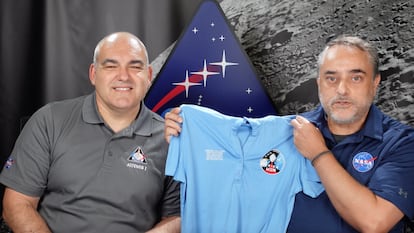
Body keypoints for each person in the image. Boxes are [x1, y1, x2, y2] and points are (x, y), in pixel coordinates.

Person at [164, 35, 414, 232]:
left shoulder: (401, 143)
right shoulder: (284, 132)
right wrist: (186, 135)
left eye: (356, 78)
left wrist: (317, 153)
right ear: (318, 83)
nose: (342, 89)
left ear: (375, 82)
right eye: (331, 78)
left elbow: (374, 223)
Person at [0, 32, 180, 233]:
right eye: (111, 66)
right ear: (94, 74)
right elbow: (17, 204)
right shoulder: (49, 120)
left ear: (148, 76)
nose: (123, 76)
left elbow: (176, 216)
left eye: (135, 66)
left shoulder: (169, 139)